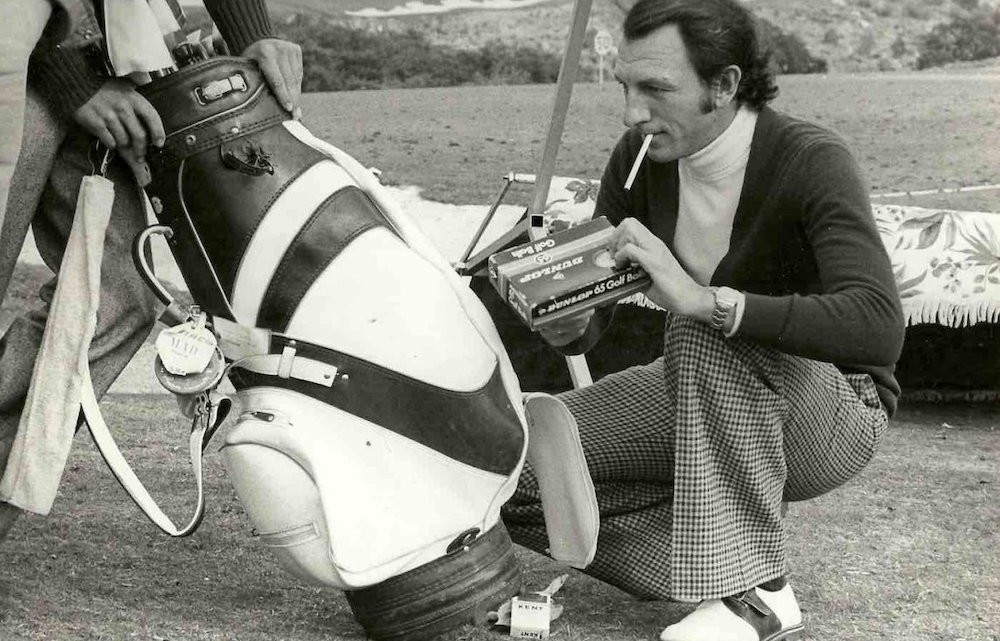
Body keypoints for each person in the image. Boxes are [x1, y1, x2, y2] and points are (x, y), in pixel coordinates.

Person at [501, 0, 904, 640]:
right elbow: (597, 319)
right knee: (510, 463)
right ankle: (706, 547)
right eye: (626, 88)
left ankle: (760, 596)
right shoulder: (640, 156)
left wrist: (704, 300)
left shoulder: (810, 159)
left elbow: (878, 324)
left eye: (656, 89)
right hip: (698, 391)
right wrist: (569, 321)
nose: (634, 113)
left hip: (833, 414)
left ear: (724, 85)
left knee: (700, 323)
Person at [0, 0, 303, 541]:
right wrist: (70, 78)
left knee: (115, 301)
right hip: (22, 54)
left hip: (92, 65)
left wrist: (250, 32)